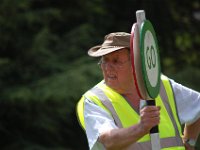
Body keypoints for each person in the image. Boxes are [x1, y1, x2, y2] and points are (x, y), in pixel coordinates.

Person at [76, 32, 200, 150]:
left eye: (116, 61)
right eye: (105, 61)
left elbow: (198, 106)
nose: (107, 68)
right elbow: (108, 141)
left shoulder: (162, 85)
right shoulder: (94, 99)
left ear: (136, 64)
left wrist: (189, 141)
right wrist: (142, 127)